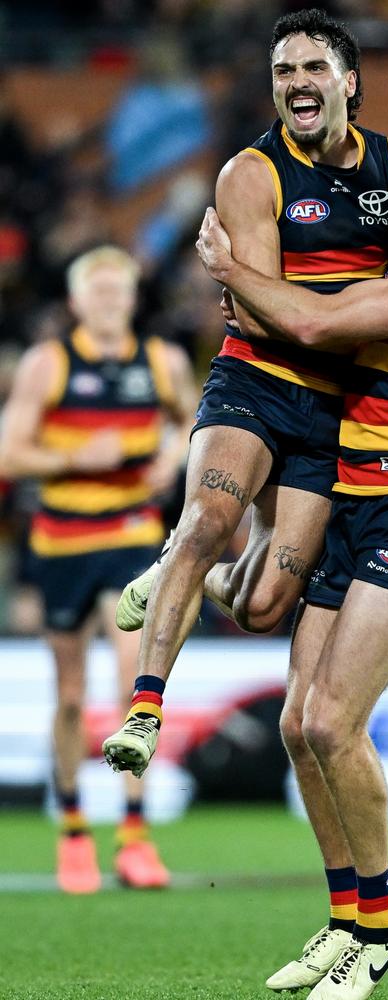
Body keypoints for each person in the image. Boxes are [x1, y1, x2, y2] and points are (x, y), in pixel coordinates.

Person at [188, 97, 388, 998]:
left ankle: (383, 927)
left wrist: (231, 268)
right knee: (298, 726)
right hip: (351, 501)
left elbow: (323, 327)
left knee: (334, 720)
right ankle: (349, 920)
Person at [105, 8, 388, 656]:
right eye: (284, 69)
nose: (298, 81)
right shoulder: (256, 171)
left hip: (352, 417)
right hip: (278, 386)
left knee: (264, 606)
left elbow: (310, 318)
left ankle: (184, 572)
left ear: (349, 81)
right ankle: (158, 664)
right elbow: (259, 322)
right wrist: (248, 287)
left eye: (314, 67)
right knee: (309, 709)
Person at [0, 246, 196, 893]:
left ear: (134, 298)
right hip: (61, 541)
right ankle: (75, 829)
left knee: (132, 685)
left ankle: (135, 834)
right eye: (100, 290)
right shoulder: (48, 363)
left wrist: (173, 456)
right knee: (70, 696)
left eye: (122, 289)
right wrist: (82, 456)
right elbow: (10, 453)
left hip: (132, 536)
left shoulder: (162, 362)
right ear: (77, 302)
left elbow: (198, 423)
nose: (112, 300)